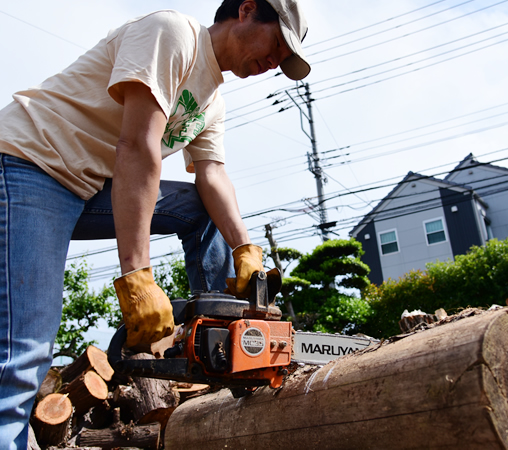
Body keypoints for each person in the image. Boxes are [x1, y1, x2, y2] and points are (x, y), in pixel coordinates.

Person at [0, 0, 310, 447]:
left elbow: (212, 175)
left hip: (86, 187)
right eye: (277, 43)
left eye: (284, 59)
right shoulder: (173, 34)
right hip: (31, 165)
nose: (275, 61)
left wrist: (246, 250)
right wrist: (137, 279)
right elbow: (137, 146)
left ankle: (224, 343)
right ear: (245, 10)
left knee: (203, 208)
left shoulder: (212, 101)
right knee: (22, 354)